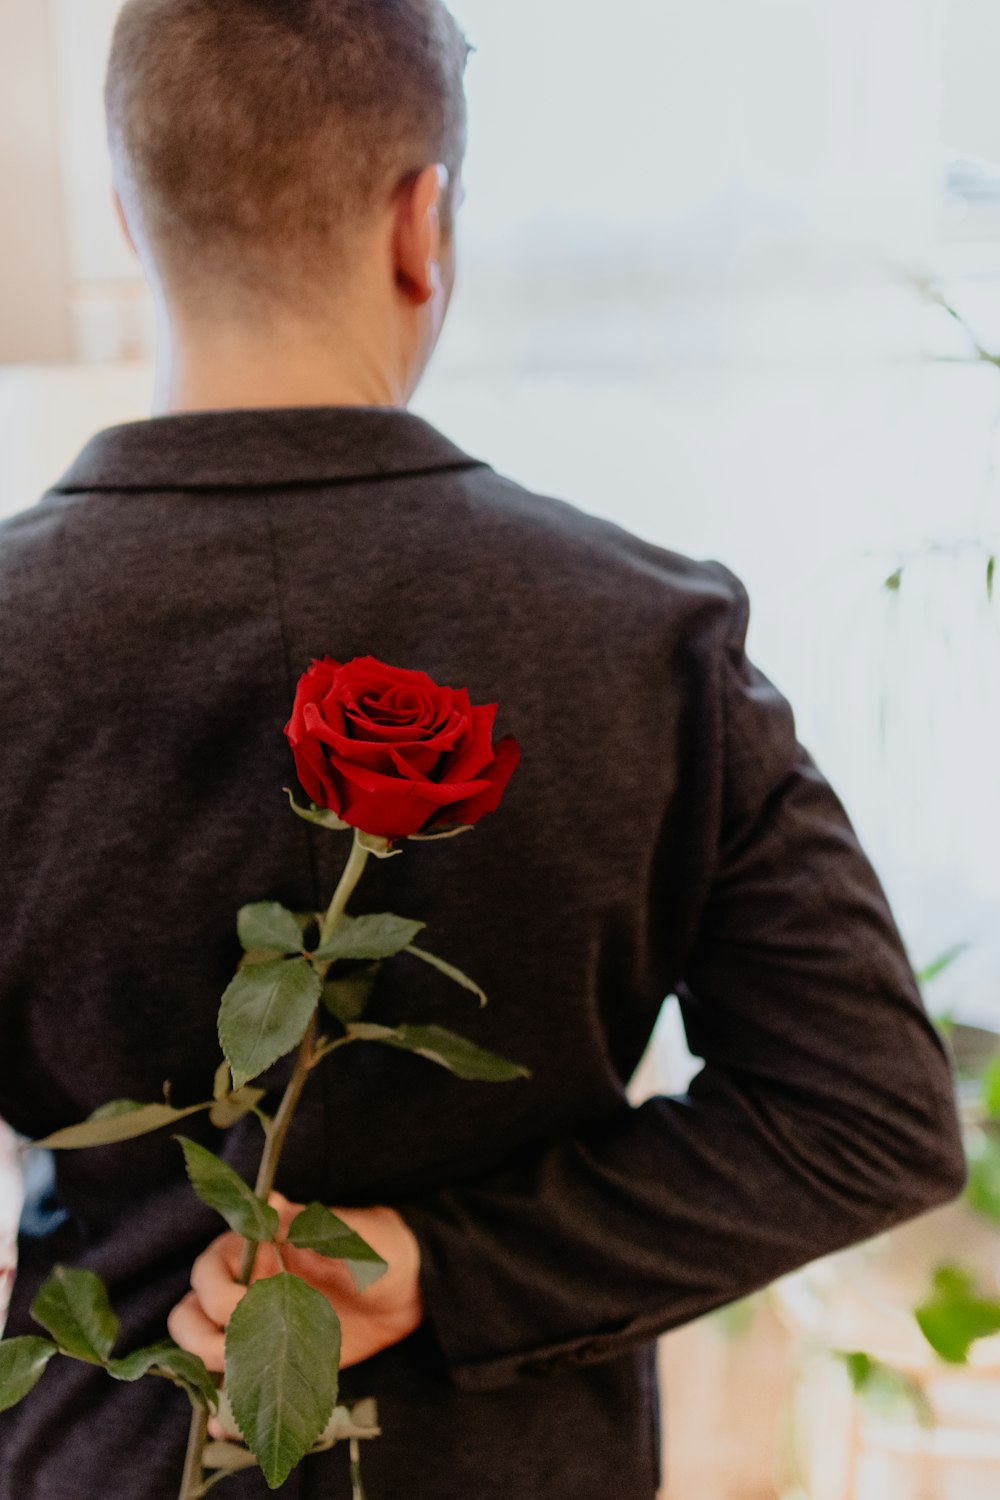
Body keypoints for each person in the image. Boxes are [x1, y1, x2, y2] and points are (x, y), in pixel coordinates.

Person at [0, 2, 966, 1497]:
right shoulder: (655, 637)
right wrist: (446, 1263)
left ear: (133, 216)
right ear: (421, 221)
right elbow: (866, 1120)